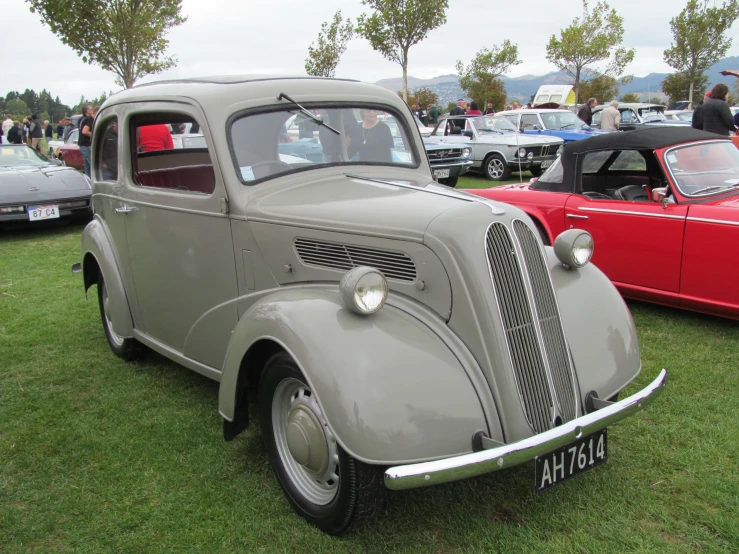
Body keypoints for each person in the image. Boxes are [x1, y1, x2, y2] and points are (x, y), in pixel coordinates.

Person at [78, 104, 95, 177]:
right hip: (87, 144)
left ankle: (88, 180)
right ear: (87, 111)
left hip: (82, 144)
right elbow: (85, 131)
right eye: (91, 109)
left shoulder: (81, 119)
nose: (92, 110)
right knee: (92, 164)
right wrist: (95, 135)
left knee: (87, 165)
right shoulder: (89, 119)